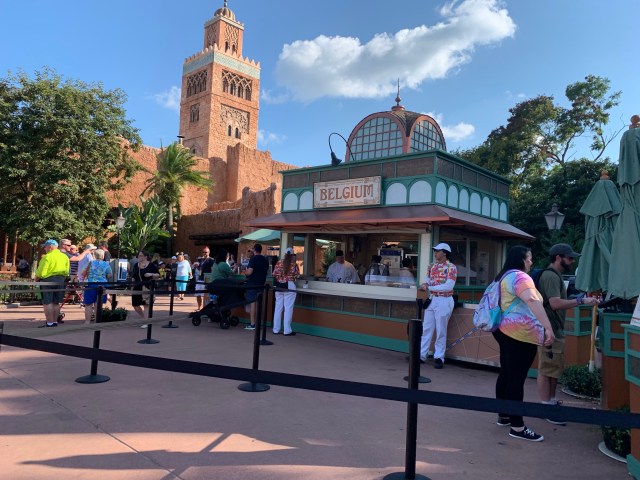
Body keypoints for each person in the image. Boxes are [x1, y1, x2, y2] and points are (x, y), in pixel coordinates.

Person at [492, 245, 555, 442]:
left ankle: (504, 415)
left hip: (503, 330)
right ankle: (517, 426)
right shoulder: (520, 277)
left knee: (506, 373)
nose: (531, 261)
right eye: (529, 258)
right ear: (521, 259)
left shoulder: (502, 277)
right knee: (516, 379)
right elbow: (532, 301)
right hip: (520, 334)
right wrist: (547, 327)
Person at [536, 243, 599, 425]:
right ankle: (546, 406)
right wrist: (580, 301)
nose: (572, 261)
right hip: (549, 329)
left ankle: (550, 402)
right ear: (558, 258)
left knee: (552, 368)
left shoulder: (554, 275)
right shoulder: (551, 276)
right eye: (569, 258)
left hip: (552, 328)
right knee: (546, 369)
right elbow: (555, 303)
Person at [419, 243, 458, 369]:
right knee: (426, 328)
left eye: (437, 251)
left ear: (445, 253)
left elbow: (448, 286)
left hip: (444, 299)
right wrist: (425, 283)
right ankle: (421, 355)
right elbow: (428, 279)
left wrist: (429, 287)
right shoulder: (432, 266)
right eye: (435, 251)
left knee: (441, 330)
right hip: (433, 299)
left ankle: (439, 357)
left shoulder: (451, 267)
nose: (435, 253)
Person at [35, 239, 70, 327]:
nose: (44, 249)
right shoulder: (65, 257)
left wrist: (36, 279)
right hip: (61, 280)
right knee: (56, 303)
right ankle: (54, 322)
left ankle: (49, 322)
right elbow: (67, 271)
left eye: (45, 247)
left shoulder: (47, 257)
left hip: (48, 281)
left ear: (50, 247)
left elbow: (40, 272)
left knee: (48, 302)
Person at [272, 247, 300, 336]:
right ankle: (287, 330)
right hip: (289, 285)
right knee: (288, 308)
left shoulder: (279, 262)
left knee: (278, 308)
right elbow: (297, 276)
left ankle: (276, 329)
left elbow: (274, 274)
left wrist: (281, 278)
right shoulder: (294, 264)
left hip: (279, 285)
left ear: (284, 254)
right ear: (292, 255)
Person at [244, 243, 269, 330]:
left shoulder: (253, 259)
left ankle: (252, 324)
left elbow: (249, 272)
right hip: (261, 283)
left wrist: (245, 272)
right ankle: (258, 322)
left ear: (254, 250)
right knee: (259, 303)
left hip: (252, 284)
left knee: (252, 304)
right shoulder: (265, 259)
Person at [83, 249, 112, 324]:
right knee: (98, 304)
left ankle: (87, 321)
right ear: (103, 256)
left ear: (94, 255)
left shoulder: (91, 263)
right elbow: (109, 275)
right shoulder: (106, 264)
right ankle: (97, 321)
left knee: (88, 304)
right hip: (102, 285)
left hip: (91, 285)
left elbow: (84, 273)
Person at [130, 250, 160, 320]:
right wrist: (132, 286)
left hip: (147, 287)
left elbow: (158, 275)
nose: (139, 257)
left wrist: (151, 274)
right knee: (135, 305)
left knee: (146, 305)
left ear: (145, 257)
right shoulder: (136, 265)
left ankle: (146, 321)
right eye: (138, 256)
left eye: (141, 256)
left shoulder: (151, 265)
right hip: (137, 287)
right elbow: (133, 277)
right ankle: (144, 318)